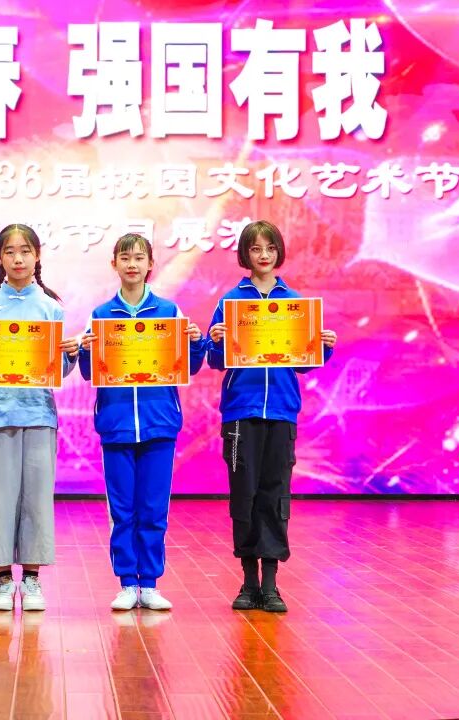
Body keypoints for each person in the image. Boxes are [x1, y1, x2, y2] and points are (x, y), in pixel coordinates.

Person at [206, 220, 337, 613]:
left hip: (281, 410)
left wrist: (324, 347)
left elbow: (304, 364)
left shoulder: (295, 303)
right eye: (255, 248)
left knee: (275, 494)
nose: (263, 255)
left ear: (279, 252)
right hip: (240, 412)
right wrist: (216, 341)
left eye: (270, 248)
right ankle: (248, 582)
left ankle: (271, 584)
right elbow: (216, 361)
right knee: (243, 494)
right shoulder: (231, 302)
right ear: (244, 255)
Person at [0, 224, 81, 612]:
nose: (18, 259)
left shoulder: (51, 308)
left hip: (38, 414)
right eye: (10, 251)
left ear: (37, 256)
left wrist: (70, 355)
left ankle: (33, 579)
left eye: (25, 251)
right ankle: (4, 580)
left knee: (37, 499)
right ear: (0, 258)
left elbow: (58, 371)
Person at [77, 233, 206, 611]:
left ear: (151, 264)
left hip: (159, 423)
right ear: (114, 264)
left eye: (139, 258)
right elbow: (90, 373)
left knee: (152, 508)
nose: (132, 264)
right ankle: (126, 582)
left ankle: (149, 583)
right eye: (125, 257)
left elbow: (189, 366)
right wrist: (85, 350)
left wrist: (194, 342)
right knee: (122, 511)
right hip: (116, 425)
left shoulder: (169, 312)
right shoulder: (101, 316)